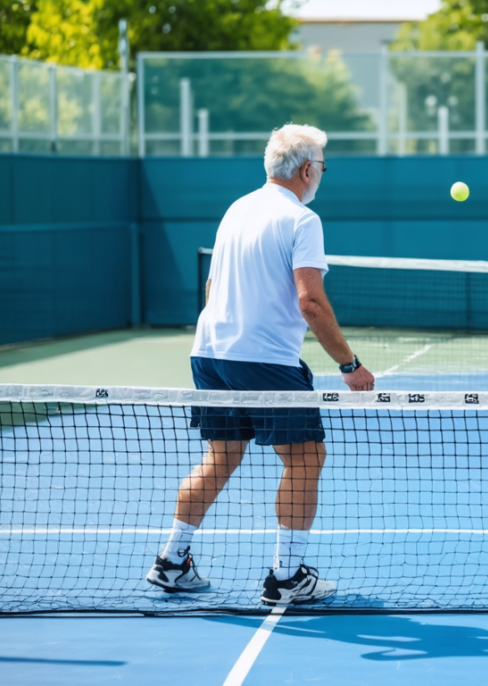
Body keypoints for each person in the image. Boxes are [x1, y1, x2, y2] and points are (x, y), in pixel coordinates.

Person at [145, 124, 376, 606]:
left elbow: (211, 291)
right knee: (306, 457)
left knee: (220, 457)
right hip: (264, 360)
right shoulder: (301, 220)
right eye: (323, 168)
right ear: (308, 170)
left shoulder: (237, 209)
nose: (322, 176)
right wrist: (349, 364)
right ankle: (288, 578)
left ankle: (171, 562)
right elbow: (310, 302)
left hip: (209, 353)